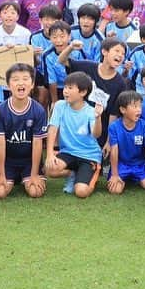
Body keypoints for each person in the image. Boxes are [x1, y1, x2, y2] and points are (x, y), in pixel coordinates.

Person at [58, 38, 129, 151]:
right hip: (76, 128)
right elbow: (62, 60)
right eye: (117, 51)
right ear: (104, 51)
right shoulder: (87, 66)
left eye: (123, 54)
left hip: (98, 133)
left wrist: (108, 142)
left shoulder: (120, 83)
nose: (120, 55)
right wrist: (71, 47)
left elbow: (113, 115)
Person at [0, 63, 47, 200]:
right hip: (8, 161)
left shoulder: (38, 110)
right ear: (8, 85)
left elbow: (38, 143)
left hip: (29, 161)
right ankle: (8, 177)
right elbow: (0, 144)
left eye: (25, 79)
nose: (21, 83)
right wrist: (1, 175)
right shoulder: (0, 110)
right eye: (15, 79)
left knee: (35, 192)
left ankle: (28, 176)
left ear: (32, 84)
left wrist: (34, 175)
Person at [43, 71, 105, 199]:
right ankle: (72, 174)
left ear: (82, 92)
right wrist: (49, 154)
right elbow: (52, 129)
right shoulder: (60, 105)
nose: (65, 91)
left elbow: (96, 134)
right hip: (68, 153)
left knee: (81, 192)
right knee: (49, 169)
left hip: (89, 156)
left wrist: (98, 118)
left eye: (70, 88)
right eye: (65, 87)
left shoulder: (90, 112)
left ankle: (93, 173)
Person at [107, 91, 145, 194]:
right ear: (123, 109)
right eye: (134, 106)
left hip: (140, 165)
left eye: (140, 106)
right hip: (122, 164)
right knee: (115, 190)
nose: (139, 110)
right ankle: (124, 178)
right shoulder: (114, 127)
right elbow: (114, 151)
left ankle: (137, 178)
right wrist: (115, 175)